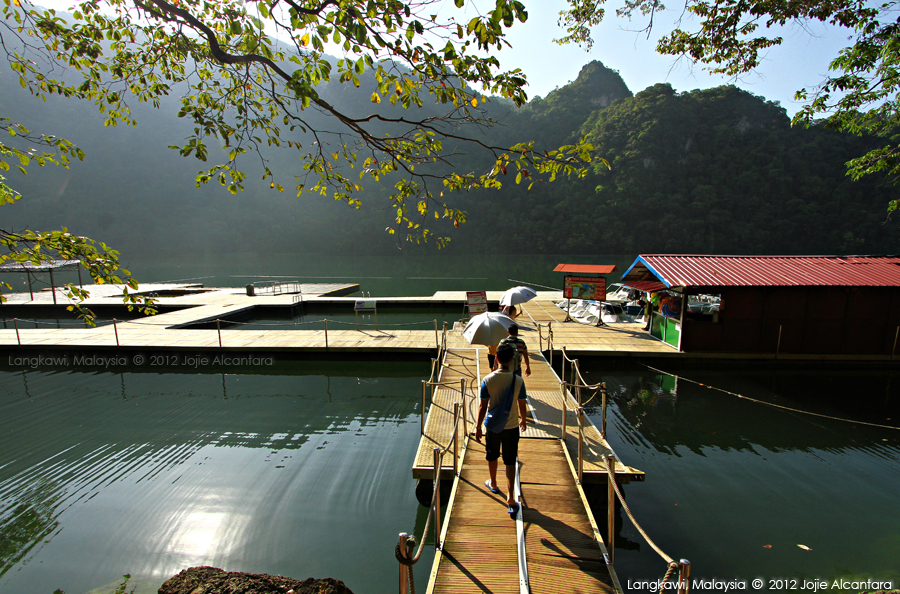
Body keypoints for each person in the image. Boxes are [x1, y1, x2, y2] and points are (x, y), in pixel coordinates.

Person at [475, 343, 528, 514]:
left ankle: (494, 483)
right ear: (512, 360)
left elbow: (482, 407)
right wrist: (524, 420)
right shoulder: (518, 381)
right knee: (510, 460)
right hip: (512, 425)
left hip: (493, 427)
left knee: (492, 455)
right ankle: (511, 496)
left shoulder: (487, 380)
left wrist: (478, 427)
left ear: (496, 358)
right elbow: (522, 404)